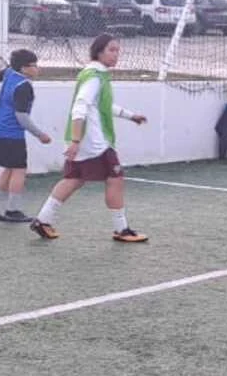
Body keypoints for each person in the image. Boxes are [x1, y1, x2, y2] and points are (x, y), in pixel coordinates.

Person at [31, 34, 149, 242]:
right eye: (112, 50)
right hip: (95, 142)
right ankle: (121, 229)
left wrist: (131, 116)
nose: (116, 55)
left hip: (85, 141)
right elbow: (80, 107)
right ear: (99, 51)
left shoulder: (95, 74)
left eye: (117, 50)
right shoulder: (94, 76)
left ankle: (42, 220)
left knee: (74, 179)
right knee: (115, 179)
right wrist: (77, 141)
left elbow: (101, 106)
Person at [0, 49, 53, 222]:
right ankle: (12, 210)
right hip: (11, 134)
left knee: (10, 168)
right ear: (23, 68)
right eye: (34, 66)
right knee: (19, 170)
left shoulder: (8, 73)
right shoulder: (24, 87)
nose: (37, 69)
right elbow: (22, 117)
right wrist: (40, 134)